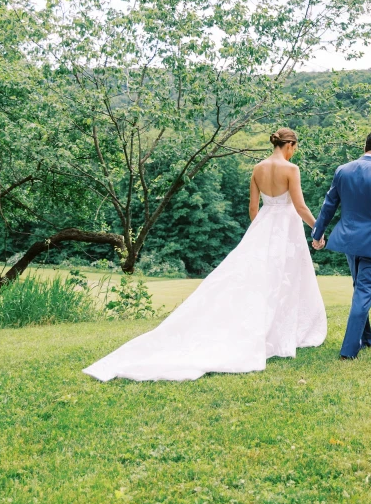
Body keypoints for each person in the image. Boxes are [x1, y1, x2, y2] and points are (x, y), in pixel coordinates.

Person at [83, 128, 326, 382]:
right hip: (287, 231)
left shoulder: (257, 169)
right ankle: (281, 336)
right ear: (289, 145)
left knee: (259, 283)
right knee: (286, 281)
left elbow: (253, 209)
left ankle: (268, 333)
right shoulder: (291, 169)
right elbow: (299, 206)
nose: (294, 151)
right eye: (295, 147)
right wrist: (317, 231)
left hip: (263, 228)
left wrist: (260, 234)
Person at [311, 129, 371, 359]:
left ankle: (367, 339)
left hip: (350, 243)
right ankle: (349, 350)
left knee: (361, 289)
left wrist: (317, 233)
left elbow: (328, 205)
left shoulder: (343, 170)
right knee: (363, 293)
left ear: (365, 147)